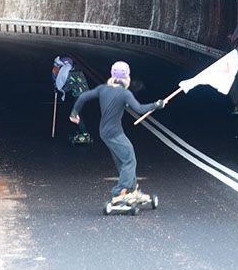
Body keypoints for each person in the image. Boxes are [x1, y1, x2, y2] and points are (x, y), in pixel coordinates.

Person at [69, 61, 166, 205]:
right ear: (127, 77)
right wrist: (156, 105)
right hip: (115, 132)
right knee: (129, 159)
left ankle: (131, 189)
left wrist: (74, 113)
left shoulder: (103, 89)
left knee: (122, 160)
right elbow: (139, 109)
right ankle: (121, 190)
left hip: (104, 132)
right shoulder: (124, 93)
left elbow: (83, 97)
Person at [227, 33, 238, 115]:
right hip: (234, 72)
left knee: (234, 88)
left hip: (237, 73)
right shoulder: (234, 52)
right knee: (232, 88)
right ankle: (237, 106)